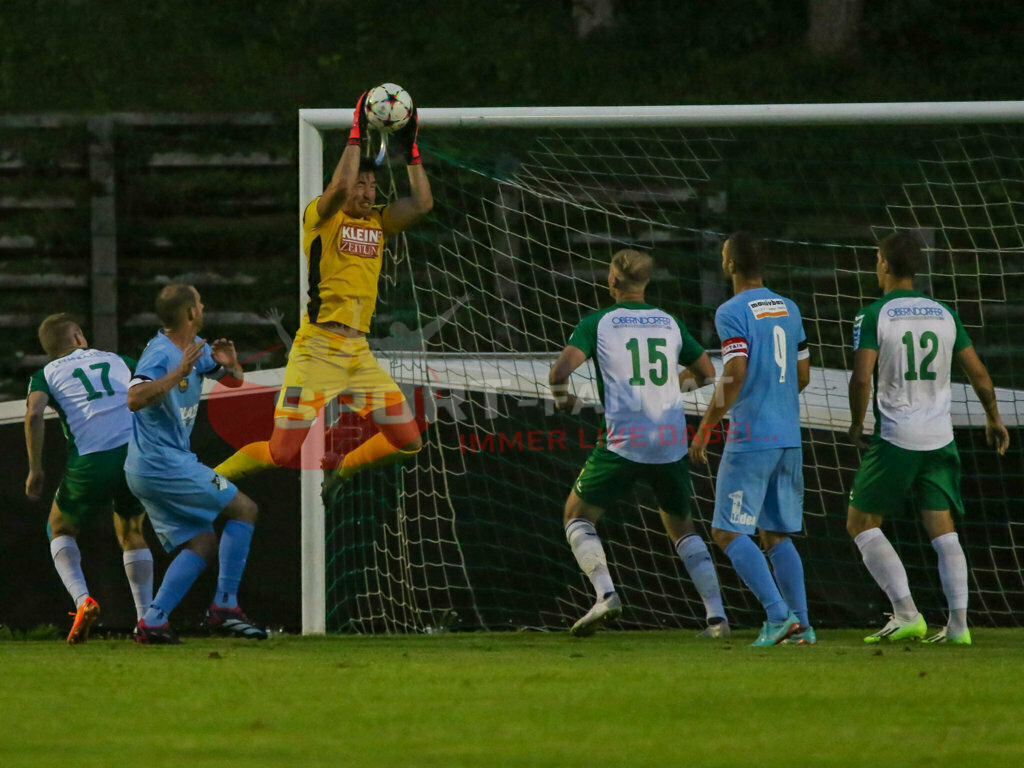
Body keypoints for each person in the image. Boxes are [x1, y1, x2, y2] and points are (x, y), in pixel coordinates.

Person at [213, 89, 433, 489]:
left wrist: (412, 149)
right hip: (317, 349)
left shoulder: (379, 222)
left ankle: (342, 468)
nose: (367, 191)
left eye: (372, 185)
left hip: (358, 354)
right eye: (360, 184)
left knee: (409, 441)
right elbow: (336, 190)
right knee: (282, 454)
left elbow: (421, 204)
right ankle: (205, 480)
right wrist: (355, 131)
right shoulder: (321, 217)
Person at [550, 249, 728, 638]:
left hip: (623, 442)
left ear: (613, 281)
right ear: (646, 282)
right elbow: (708, 372)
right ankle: (717, 618)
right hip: (669, 441)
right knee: (683, 530)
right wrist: (667, 387)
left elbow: (560, 372)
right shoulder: (669, 322)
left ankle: (606, 594)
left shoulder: (598, 322)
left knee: (576, 516)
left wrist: (564, 400)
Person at [846, 232, 1009, 645]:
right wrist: (994, 419)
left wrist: (856, 423)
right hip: (940, 438)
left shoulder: (873, 314)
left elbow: (862, 376)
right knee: (943, 529)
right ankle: (959, 626)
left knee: (861, 522)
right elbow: (980, 376)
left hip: (897, 436)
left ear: (883, 265)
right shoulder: (945, 313)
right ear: (916, 269)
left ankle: (906, 613)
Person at [689, 232, 814, 647]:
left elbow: (735, 371)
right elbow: (803, 376)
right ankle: (803, 627)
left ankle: (778, 616)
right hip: (789, 437)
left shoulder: (731, 311)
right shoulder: (789, 308)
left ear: (730, 265)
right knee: (776, 534)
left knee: (726, 531)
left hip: (753, 436)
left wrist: (706, 427)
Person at [126, 284, 265, 644]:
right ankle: (225, 606)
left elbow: (232, 384)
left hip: (153, 468)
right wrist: (178, 372)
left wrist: (230, 365)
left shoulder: (195, 348)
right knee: (244, 508)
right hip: (165, 466)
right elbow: (134, 398)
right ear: (190, 312)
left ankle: (154, 621)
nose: (203, 307)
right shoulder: (161, 353)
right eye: (199, 302)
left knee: (202, 542)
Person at [24, 314, 154, 644]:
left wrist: (35, 468)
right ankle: (147, 621)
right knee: (132, 530)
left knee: (59, 527)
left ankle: (83, 600)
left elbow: (34, 413)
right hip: (135, 453)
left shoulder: (46, 374)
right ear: (79, 336)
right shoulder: (118, 359)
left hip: (91, 460)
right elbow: (152, 392)